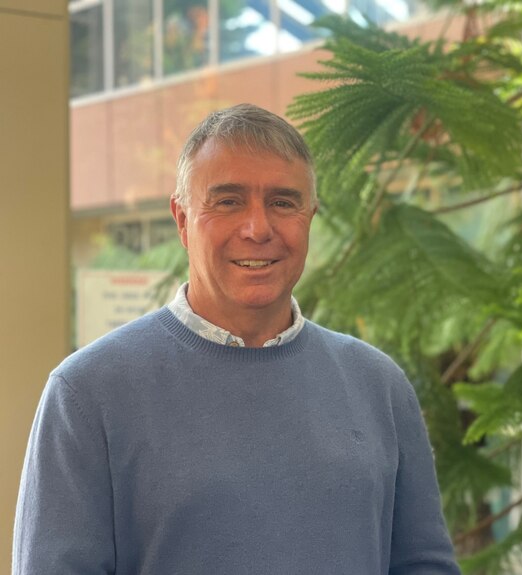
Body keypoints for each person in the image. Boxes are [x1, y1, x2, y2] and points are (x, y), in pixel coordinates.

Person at [13, 103, 461, 574]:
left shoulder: (380, 387)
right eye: (227, 201)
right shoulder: (86, 395)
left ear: (310, 216)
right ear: (182, 219)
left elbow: (423, 564)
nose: (258, 229)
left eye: (283, 202)